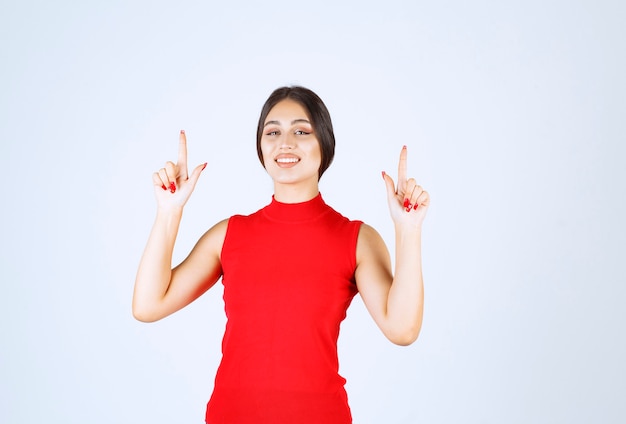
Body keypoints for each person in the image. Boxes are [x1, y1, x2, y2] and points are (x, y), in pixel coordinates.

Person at [132, 86, 430, 423]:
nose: (284, 142)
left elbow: (402, 329)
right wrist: (169, 211)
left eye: (301, 131)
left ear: (324, 145)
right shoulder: (229, 234)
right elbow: (148, 305)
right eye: (272, 132)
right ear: (261, 147)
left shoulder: (357, 239)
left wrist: (408, 228)